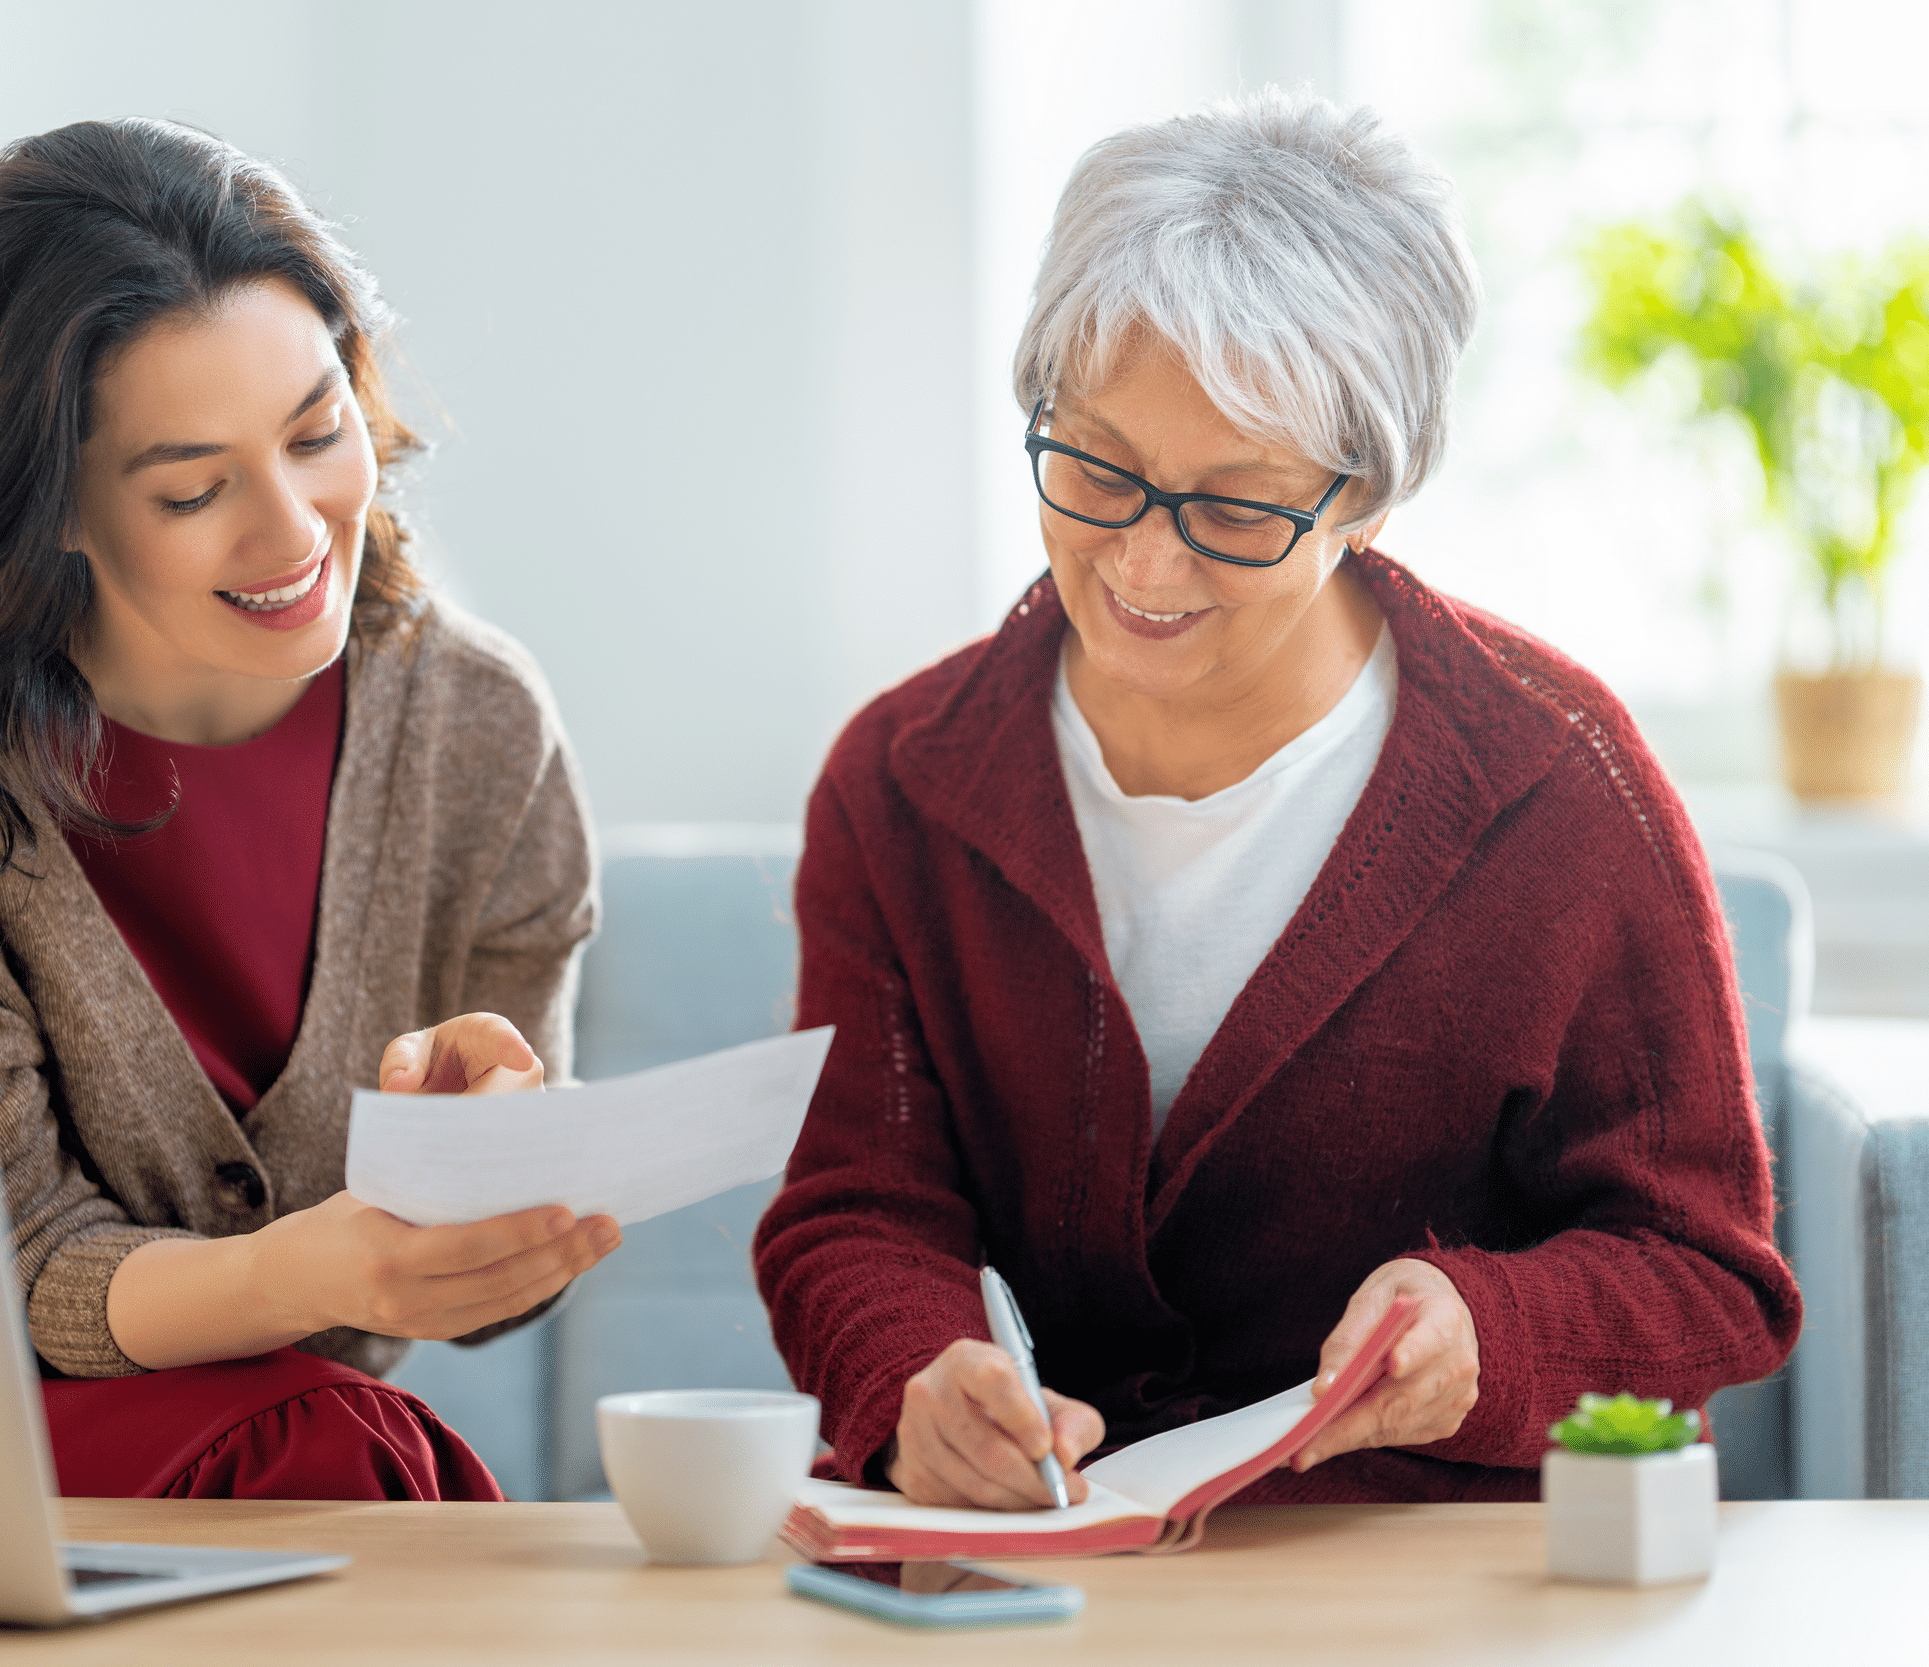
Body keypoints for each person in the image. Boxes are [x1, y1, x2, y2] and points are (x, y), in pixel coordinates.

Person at [753, 90, 1800, 1509]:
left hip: (1422, 1574)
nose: (1144, 565)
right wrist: (917, 1377)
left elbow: (1705, 1269)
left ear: (1369, 495)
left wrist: (1483, 1333)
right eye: (1097, 469)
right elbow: (853, 1207)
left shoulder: (1560, 786)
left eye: (1235, 509)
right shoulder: (902, 779)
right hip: (1024, 1571)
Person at [0, 118, 617, 1502]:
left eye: (318, 432)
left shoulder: (481, 729)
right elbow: (1, 1258)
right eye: (194, 487)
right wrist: (304, 1270)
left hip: (300, 1449)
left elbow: (489, 1291)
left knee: (333, 1441)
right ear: (50, 509)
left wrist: (491, 1189)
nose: (292, 530)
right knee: (334, 1445)